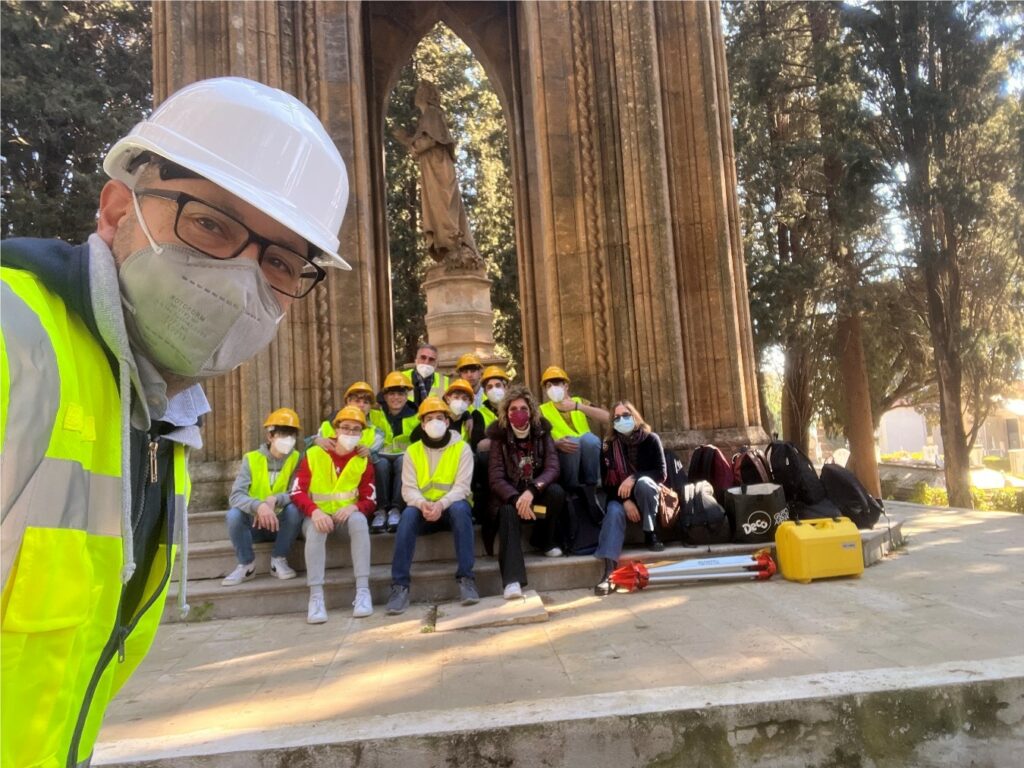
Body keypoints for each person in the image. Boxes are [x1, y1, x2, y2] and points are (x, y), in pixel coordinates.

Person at [0, 76, 350, 767]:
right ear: (115, 209)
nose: (240, 279)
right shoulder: (16, 342)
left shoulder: (158, 425)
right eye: (210, 223)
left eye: (279, 261)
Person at [386, 397, 478, 614]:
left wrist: (441, 505)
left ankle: (467, 579)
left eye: (439, 417)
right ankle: (400, 586)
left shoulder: (462, 449)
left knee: (461, 509)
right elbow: (408, 489)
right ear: (422, 424)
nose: (435, 422)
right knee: (407, 516)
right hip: (422, 510)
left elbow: (462, 487)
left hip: (452, 508)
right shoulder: (413, 451)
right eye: (429, 418)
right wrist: (423, 504)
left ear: (447, 422)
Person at [291, 407, 376, 622]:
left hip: (345, 520)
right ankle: (316, 597)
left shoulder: (363, 459)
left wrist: (354, 507)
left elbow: (370, 498)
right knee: (316, 530)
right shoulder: (314, 453)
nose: (350, 433)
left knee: (359, 521)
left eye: (355, 430)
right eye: (345, 428)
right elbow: (297, 491)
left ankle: (363, 592)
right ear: (335, 429)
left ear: (361, 434)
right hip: (317, 516)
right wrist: (315, 511)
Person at [488, 385, 567, 599]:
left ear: (531, 411)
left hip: (535, 508)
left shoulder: (542, 432)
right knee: (506, 512)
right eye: (513, 409)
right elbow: (495, 477)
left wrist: (532, 490)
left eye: (523, 408)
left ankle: (544, 539)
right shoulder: (499, 436)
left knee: (557, 494)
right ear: (506, 413)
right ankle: (512, 581)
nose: (518, 413)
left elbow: (552, 467)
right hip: (512, 505)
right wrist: (516, 499)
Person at [222, 408, 304, 586]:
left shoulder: (297, 458)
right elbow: (236, 495)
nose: (287, 440)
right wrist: (259, 506)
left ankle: (278, 560)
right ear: (270, 436)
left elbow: (297, 492)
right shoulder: (251, 459)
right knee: (233, 515)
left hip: (283, 525)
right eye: (282, 434)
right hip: (255, 524)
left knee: (295, 510)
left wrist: (276, 500)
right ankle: (246, 565)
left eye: (291, 435)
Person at [594, 401, 669, 595]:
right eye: (616, 417)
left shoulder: (651, 439)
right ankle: (609, 572)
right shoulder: (608, 446)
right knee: (613, 512)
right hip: (619, 497)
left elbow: (661, 474)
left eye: (625, 415)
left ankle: (649, 532)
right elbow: (607, 483)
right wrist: (624, 502)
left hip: (645, 494)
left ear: (634, 415)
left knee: (644, 483)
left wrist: (634, 477)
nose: (622, 420)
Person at [312, 381, 388, 533]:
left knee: (382, 464)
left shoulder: (376, 431)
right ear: (347, 402)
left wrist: (370, 453)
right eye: (357, 400)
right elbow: (311, 449)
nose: (361, 405)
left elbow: (378, 451)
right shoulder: (328, 426)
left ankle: (379, 511)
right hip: (331, 479)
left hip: (360, 480)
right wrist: (315, 440)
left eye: (366, 402)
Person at [537, 366, 609, 516]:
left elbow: (608, 418)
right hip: (563, 459)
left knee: (591, 440)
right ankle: (572, 492)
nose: (553, 388)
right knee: (573, 442)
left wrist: (579, 407)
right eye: (549, 385)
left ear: (566, 386)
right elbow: (536, 439)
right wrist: (555, 444)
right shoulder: (541, 410)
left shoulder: (579, 401)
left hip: (588, 456)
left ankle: (592, 490)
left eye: (557, 384)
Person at [369, 371, 420, 532]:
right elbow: (349, 413)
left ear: (406, 396)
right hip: (381, 455)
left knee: (402, 462)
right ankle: (382, 511)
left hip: (405, 457)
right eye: (392, 394)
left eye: (400, 394)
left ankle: (396, 509)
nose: (396, 398)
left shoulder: (416, 416)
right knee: (381, 464)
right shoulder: (375, 415)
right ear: (384, 396)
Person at [402, 342, 448, 406]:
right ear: (416, 360)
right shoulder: (401, 377)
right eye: (423, 358)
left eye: (431, 359)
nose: (426, 362)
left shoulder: (446, 381)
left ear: (436, 364)